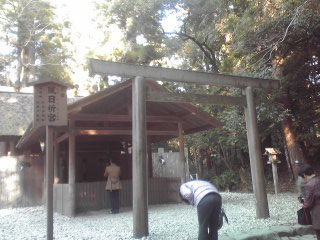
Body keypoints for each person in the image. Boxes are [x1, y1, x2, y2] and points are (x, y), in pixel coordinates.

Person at [298, 164, 320, 240]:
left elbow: (307, 204)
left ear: (304, 175)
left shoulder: (310, 185)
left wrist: (303, 200)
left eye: (302, 177)